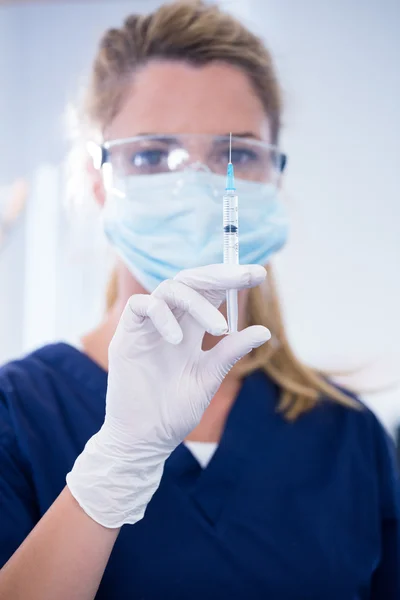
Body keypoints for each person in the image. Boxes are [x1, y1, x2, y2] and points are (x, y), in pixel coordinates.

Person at [0, 1, 398, 598]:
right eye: (152, 156)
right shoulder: (19, 414)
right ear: (96, 182)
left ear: (273, 179)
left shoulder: (349, 439)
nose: (199, 186)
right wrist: (117, 465)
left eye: (234, 156)